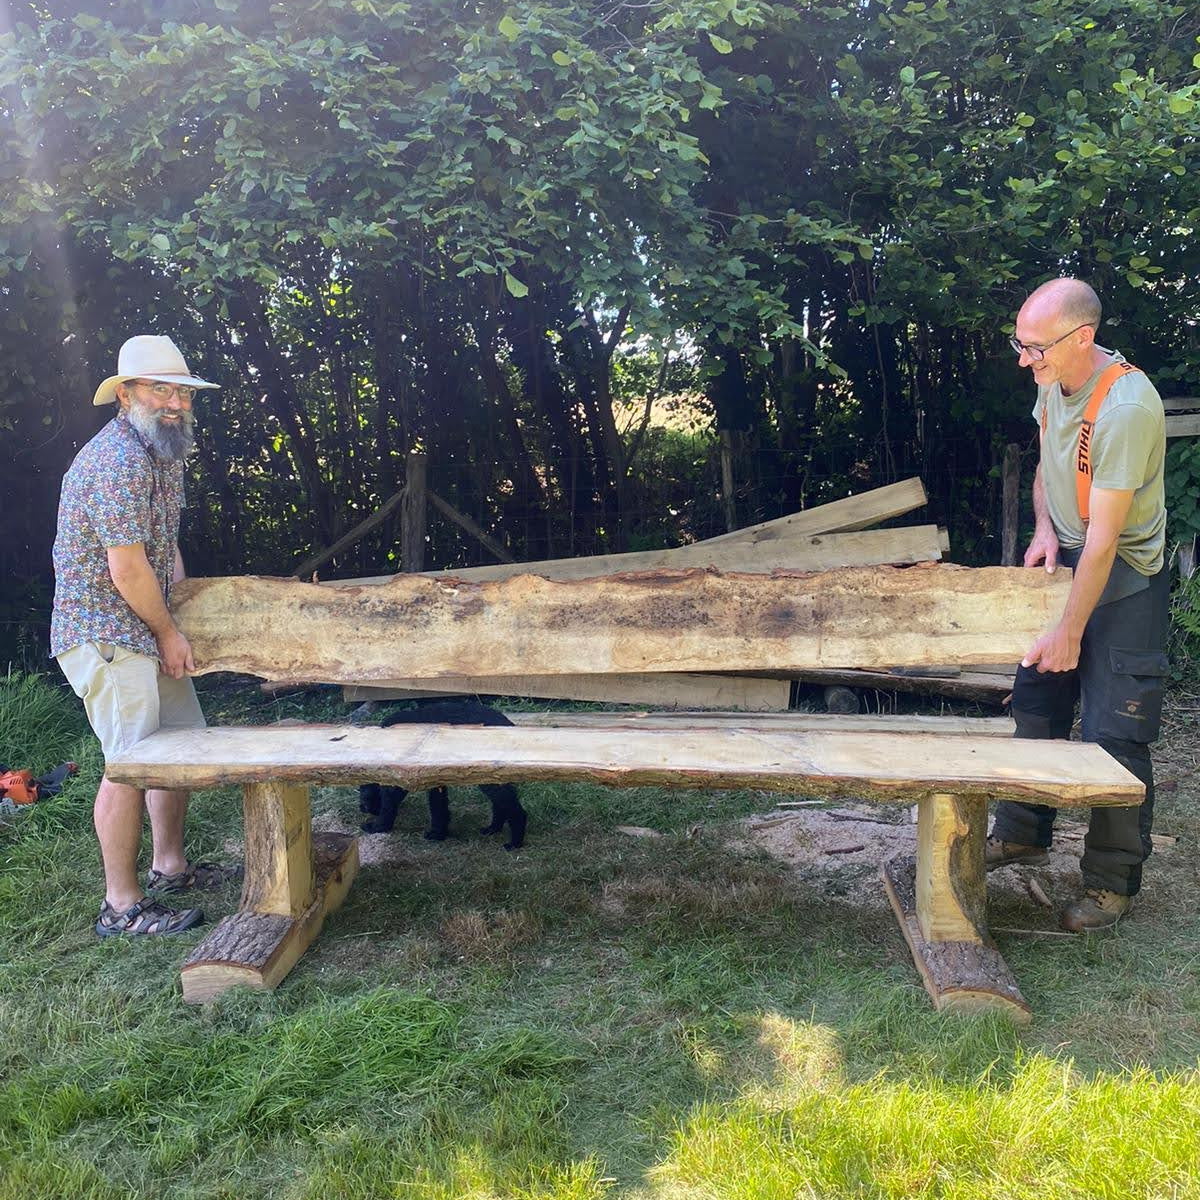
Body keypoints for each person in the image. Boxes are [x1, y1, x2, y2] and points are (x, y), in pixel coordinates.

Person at [987, 278, 1169, 931]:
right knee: (1035, 704)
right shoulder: (1051, 382)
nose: (1022, 359)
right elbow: (1048, 465)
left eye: (1033, 348)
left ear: (1080, 338)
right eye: (1021, 344)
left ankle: (1110, 884)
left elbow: (1105, 541)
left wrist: (1071, 628)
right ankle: (1021, 833)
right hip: (1067, 557)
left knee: (1115, 734)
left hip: (1122, 578)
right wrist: (1041, 527)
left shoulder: (1127, 408)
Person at [51, 335, 238, 937]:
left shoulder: (163, 453)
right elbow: (126, 568)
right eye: (160, 388)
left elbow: (164, 549)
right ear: (125, 394)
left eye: (181, 390)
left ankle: (169, 868)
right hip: (105, 631)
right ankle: (121, 906)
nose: (175, 401)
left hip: (148, 625)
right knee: (129, 761)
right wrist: (166, 632)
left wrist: (178, 619)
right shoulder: (117, 461)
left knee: (179, 745)